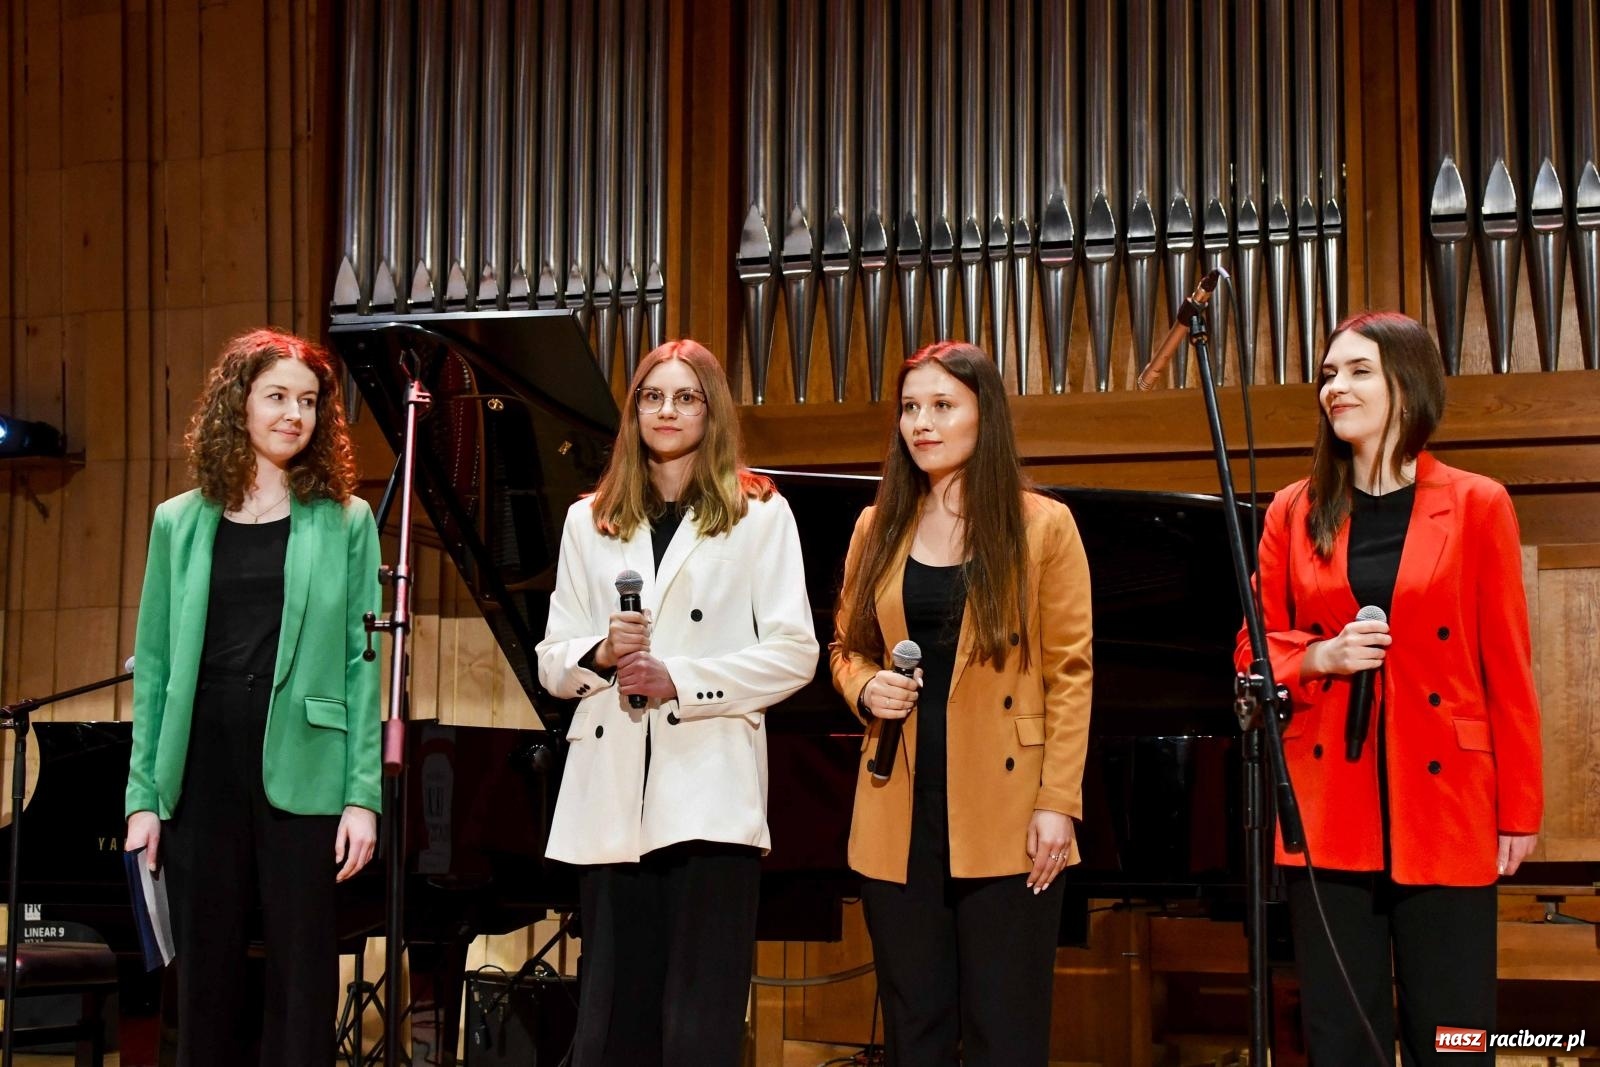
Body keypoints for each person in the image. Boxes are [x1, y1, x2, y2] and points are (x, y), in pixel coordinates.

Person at [1240, 312, 1541, 1065]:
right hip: (1327, 803)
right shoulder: (1293, 508)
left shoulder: (1478, 504)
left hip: (1448, 801)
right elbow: (1253, 648)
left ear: (1407, 382)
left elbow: (1508, 664)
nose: (1334, 388)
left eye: (1355, 371)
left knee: (1456, 1031)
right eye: (1327, 375)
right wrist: (1320, 659)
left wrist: (1519, 804)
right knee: (1342, 1033)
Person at [536, 338, 818, 1067]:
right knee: (610, 1028)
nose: (667, 410)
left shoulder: (758, 513)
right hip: (611, 795)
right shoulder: (588, 519)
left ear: (711, 410)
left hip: (710, 790)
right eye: (653, 396)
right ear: (634, 412)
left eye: (685, 396)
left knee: (698, 1027)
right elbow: (550, 661)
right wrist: (598, 652)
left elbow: (797, 651)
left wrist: (683, 682)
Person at [830, 341, 1094, 1066]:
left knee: (1004, 1034)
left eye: (943, 405)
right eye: (911, 407)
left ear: (986, 413)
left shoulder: (1043, 526)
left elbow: (1072, 672)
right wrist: (864, 687)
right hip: (900, 805)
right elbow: (844, 649)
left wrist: (1058, 800)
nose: (923, 422)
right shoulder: (875, 525)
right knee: (914, 1032)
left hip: (1011, 811)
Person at [123, 328, 382, 1066]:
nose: (293, 414)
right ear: (239, 404)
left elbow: (364, 665)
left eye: (308, 401)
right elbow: (156, 667)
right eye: (277, 396)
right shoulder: (179, 521)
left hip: (305, 763)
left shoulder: (347, 520)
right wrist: (144, 796)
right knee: (202, 972)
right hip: (201, 759)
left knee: (303, 977)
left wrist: (362, 794)